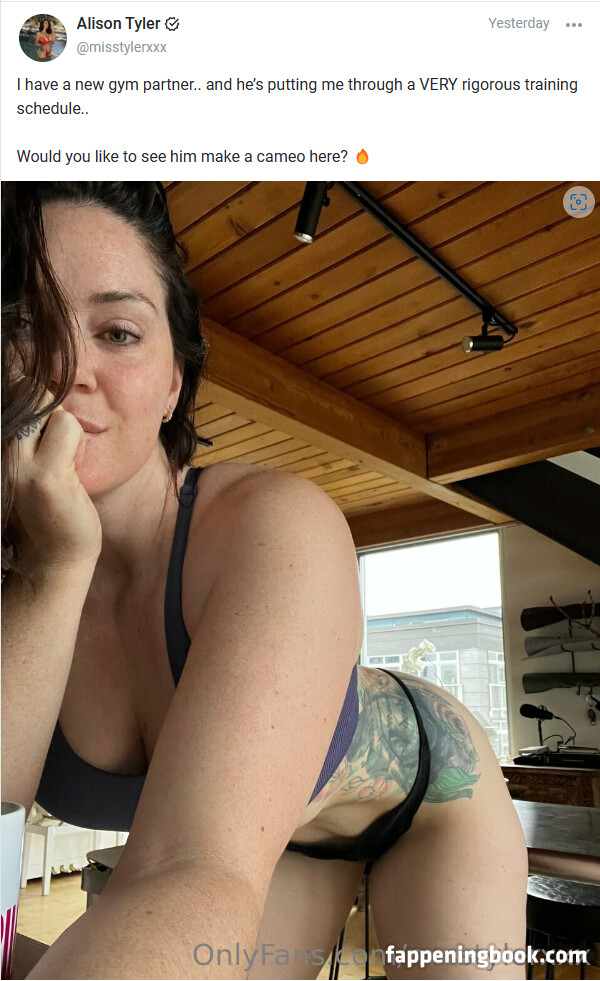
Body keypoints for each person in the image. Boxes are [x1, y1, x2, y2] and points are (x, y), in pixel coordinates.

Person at [1, 182, 527, 980]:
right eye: (24, 325)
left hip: (430, 805)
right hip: (270, 848)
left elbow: (190, 869)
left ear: (173, 383)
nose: (65, 367)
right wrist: (51, 569)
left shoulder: (269, 526)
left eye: (118, 331)